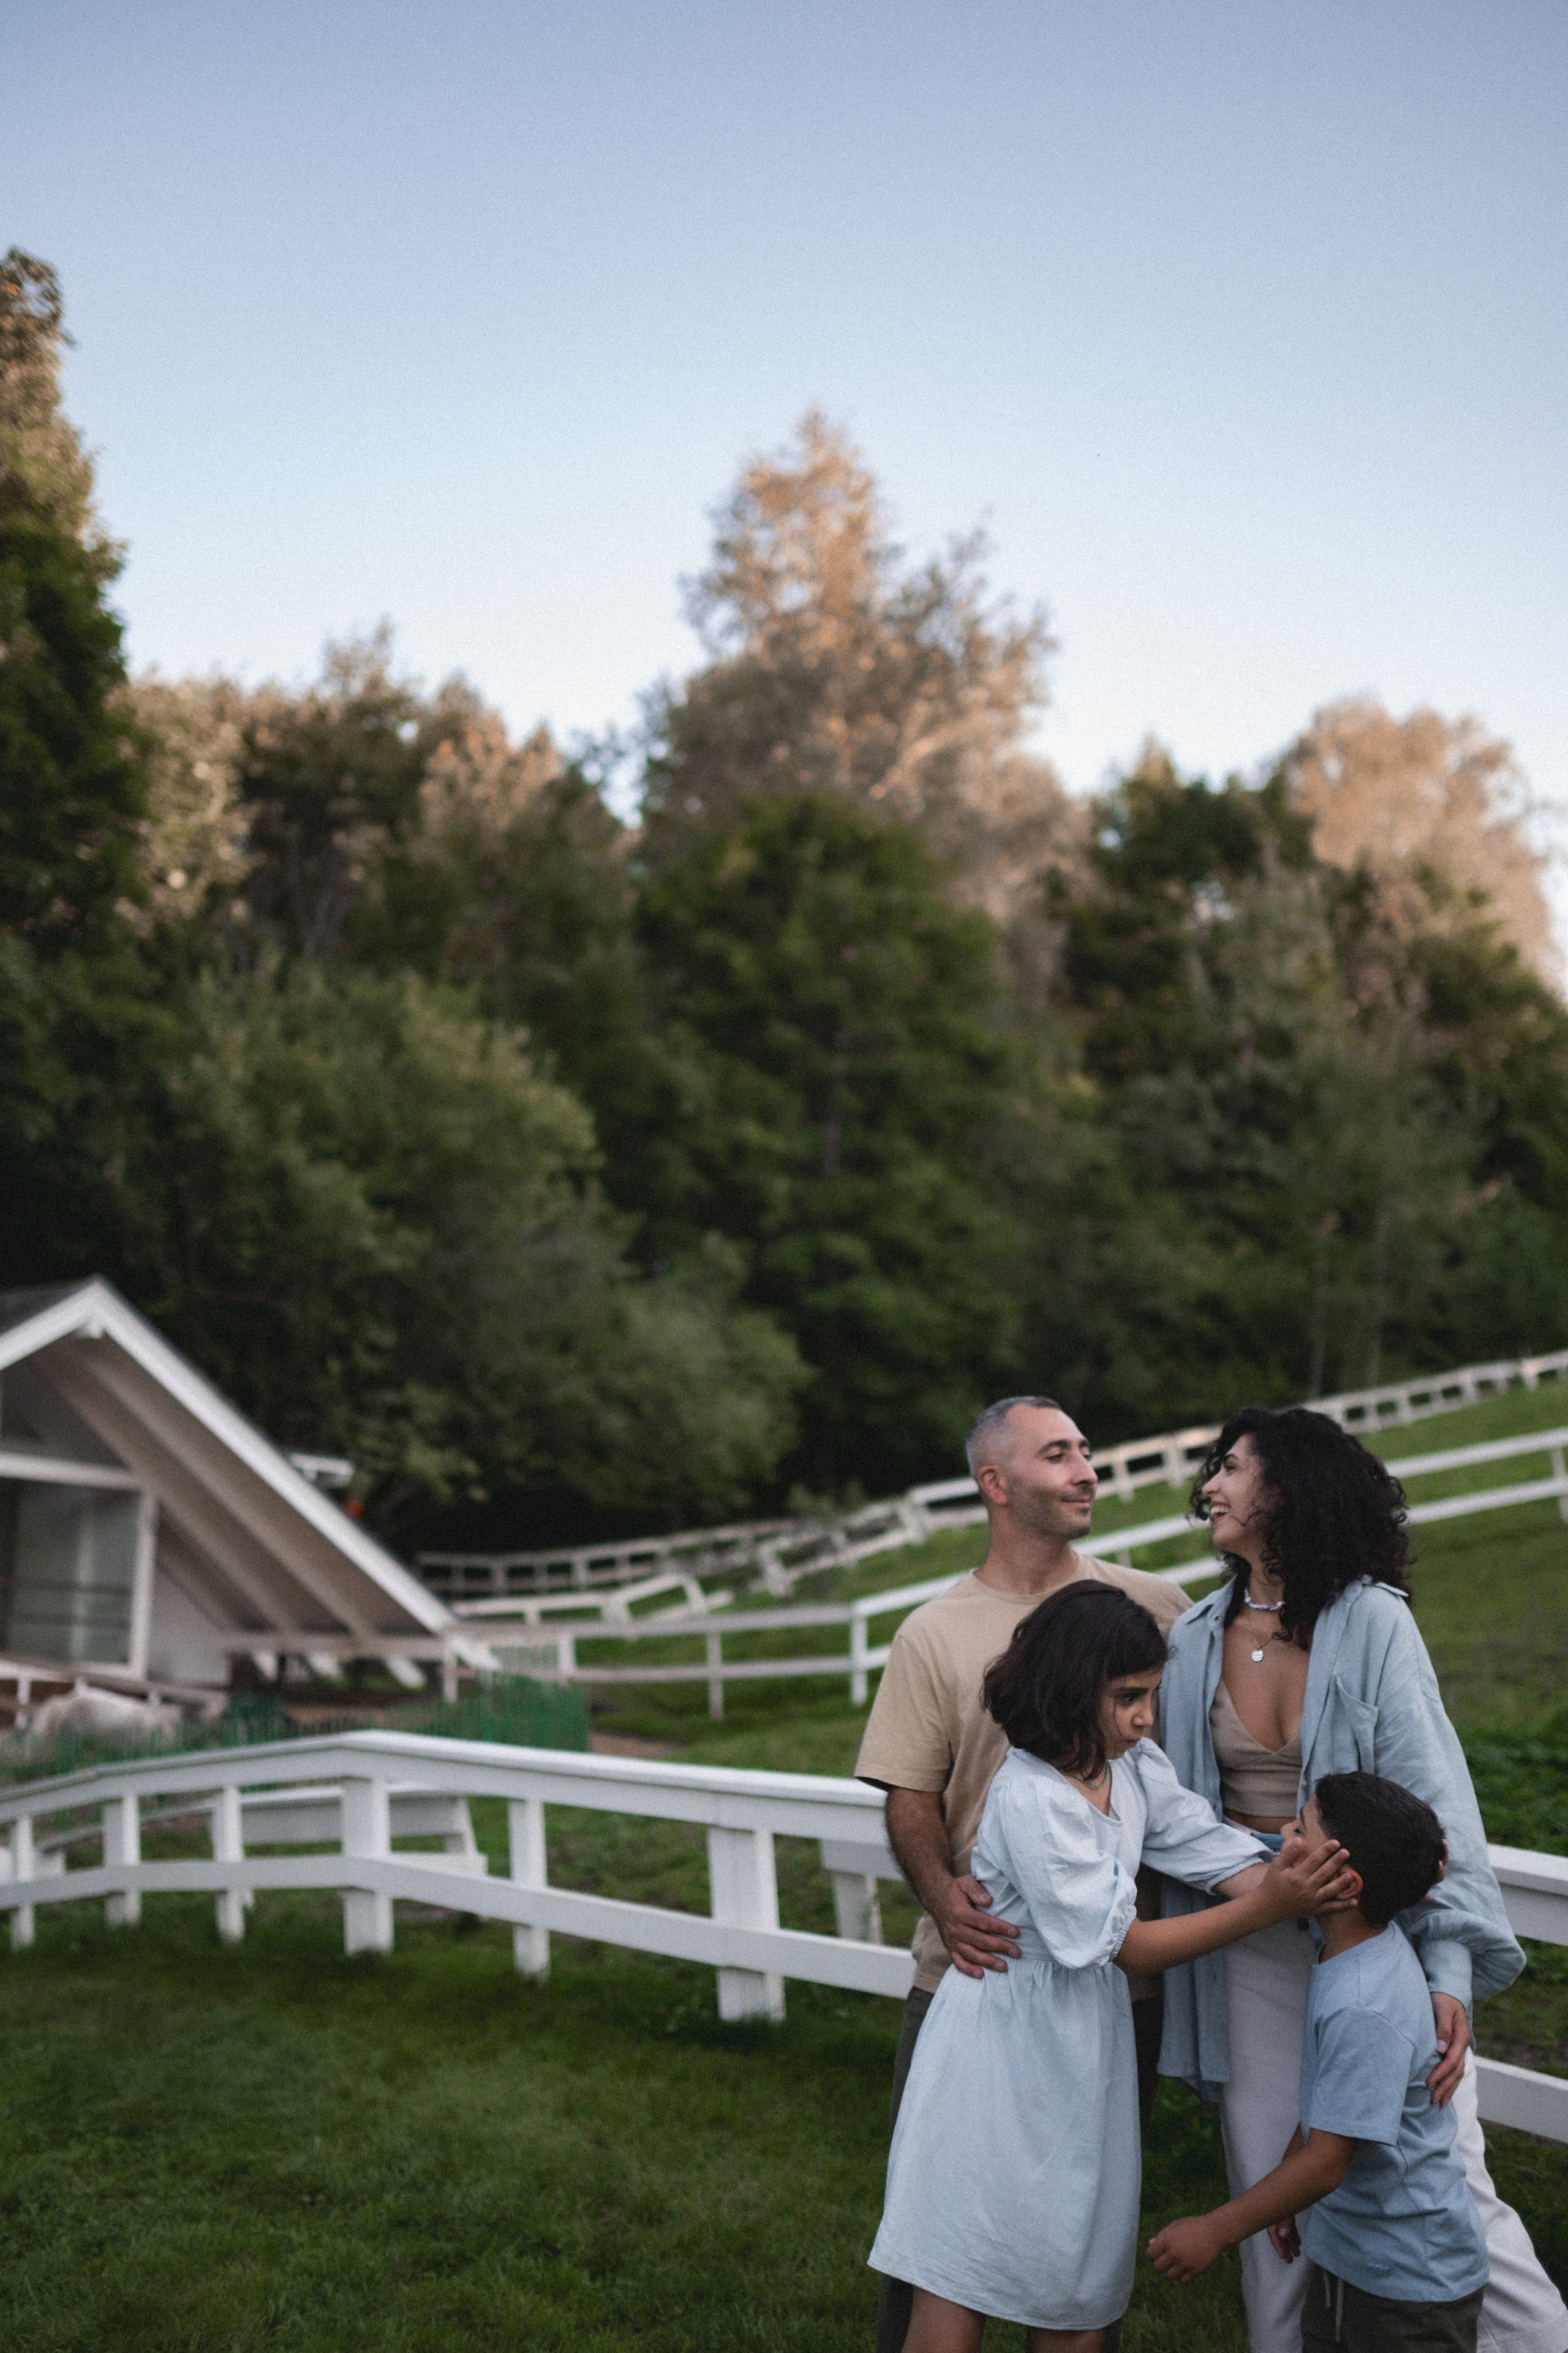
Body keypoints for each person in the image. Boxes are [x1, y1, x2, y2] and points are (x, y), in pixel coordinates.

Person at [1157, 1404, 1566, 2353]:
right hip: (1251, 1941)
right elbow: (1171, 1805)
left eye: (1231, 1466)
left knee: (1449, 2170)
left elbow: (1436, 1801)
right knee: (1271, 2182)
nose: (1209, 1484)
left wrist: (1447, 1973)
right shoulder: (1191, 1636)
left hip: (1378, 1940)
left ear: (1289, 1489)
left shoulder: (1374, 1620)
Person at [867, 1584, 1357, 2353]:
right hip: (996, 2046)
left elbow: (1208, 1846)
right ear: (1066, 1689)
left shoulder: (1129, 1768)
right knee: (958, 2267)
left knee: (1078, 2275)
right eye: (1127, 1697)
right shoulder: (1033, 1796)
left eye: (1152, 1695)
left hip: (1082, 2046)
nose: (1145, 1717)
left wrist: (1311, 1881)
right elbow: (1128, 1944)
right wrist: (1269, 1907)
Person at [856, 1396, 1193, 2353]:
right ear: (996, 1484)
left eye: (1087, 1450)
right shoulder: (935, 1630)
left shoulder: (1146, 1603)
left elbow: (1177, 1778)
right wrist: (939, 1895)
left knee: (1082, 2247)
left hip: (1110, 1988)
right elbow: (911, 1792)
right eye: (1059, 1454)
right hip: (973, 1973)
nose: (1087, 1469)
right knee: (941, 2250)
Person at [1148, 1772, 1490, 2353]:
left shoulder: (1364, 2000)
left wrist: (1215, 2230)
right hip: (1359, 2260)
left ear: (1344, 1882)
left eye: (1300, 1829)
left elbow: (1330, 2161)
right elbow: (1329, 2108)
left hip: (1408, 2289)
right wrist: (1293, 2192)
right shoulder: (1346, 1955)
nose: (1283, 1837)